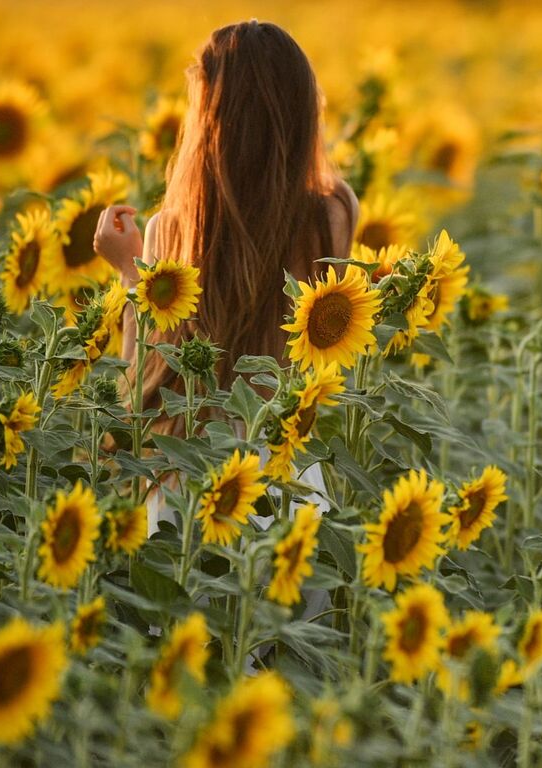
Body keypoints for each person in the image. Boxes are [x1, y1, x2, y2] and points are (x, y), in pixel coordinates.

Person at [91, 20, 358, 540]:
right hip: (287, 482)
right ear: (303, 115)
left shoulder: (171, 231)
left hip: (187, 483)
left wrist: (130, 271)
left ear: (207, 120)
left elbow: (140, 385)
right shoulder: (331, 215)